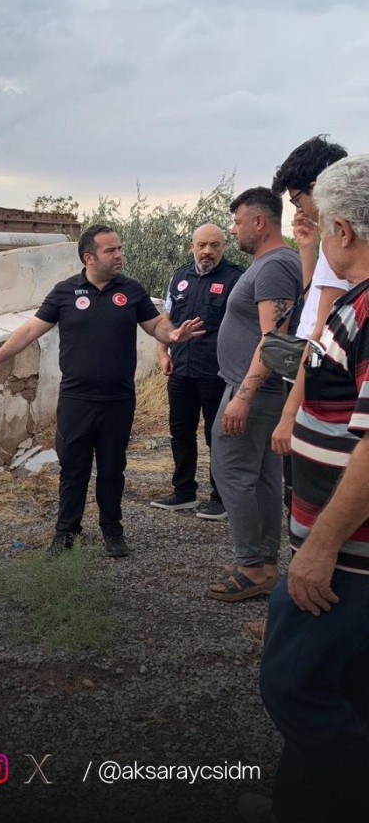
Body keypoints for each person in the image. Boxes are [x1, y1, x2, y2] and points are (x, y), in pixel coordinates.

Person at [239, 155, 369, 823]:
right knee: (348, 685)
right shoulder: (350, 300)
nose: (306, 236)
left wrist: (319, 548)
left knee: (291, 685)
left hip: (346, 556)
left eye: (313, 223)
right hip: (339, 546)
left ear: (341, 228)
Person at [0, 224, 203, 558]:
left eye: (119, 248)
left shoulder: (131, 290)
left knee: (111, 469)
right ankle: (66, 533)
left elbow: (155, 325)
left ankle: (112, 530)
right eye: (111, 250)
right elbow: (31, 328)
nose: (119, 255)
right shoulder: (65, 292)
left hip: (118, 400)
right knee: (73, 469)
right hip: (76, 399)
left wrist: (172, 335)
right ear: (89, 257)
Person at [206, 188, 302, 601]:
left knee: (232, 473)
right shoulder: (273, 264)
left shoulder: (276, 266)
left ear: (259, 222)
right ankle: (264, 566)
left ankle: (250, 567)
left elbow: (274, 340)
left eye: (237, 222)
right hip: (257, 389)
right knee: (262, 477)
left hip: (255, 390)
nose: (234, 230)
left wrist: (243, 396)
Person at [270, 136, 349, 485]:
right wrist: (307, 249)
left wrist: (288, 415)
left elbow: (321, 333)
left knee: (308, 489)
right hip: (311, 374)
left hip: (320, 380)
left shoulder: (343, 236)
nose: (297, 209)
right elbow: (313, 304)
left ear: (318, 187)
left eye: (297, 199)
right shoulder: (332, 237)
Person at [150, 224, 242, 520]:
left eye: (214, 245)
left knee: (217, 436)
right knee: (180, 432)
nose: (207, 251)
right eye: (202, 245)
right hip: (181, 370)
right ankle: (183, 492)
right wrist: (163, 353)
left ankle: (221, 497)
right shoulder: (179, 277)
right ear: (192, 246)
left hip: (216, 372)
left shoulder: (235, 279)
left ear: (224, 246)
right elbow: (166, 318)